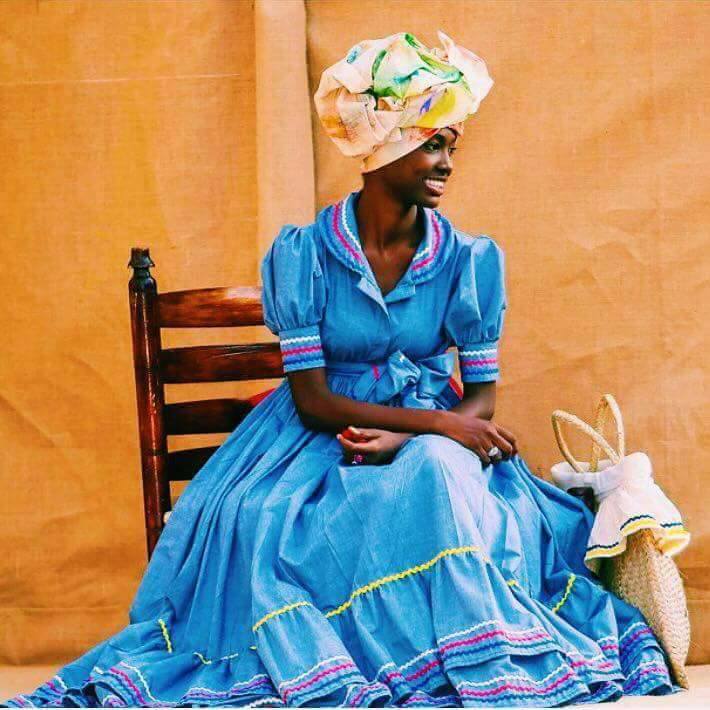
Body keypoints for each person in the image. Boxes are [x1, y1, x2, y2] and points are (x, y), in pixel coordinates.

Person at [5, 30, 681, 708]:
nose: (447, 163)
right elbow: (313, 402)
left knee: (438, 473)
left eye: (451, 146)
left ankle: (462, 656)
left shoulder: (468, 261)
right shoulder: (305, 256)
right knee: (268, 520)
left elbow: (479, 404)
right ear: (381, 145)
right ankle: (351, 659)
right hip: (316, 438)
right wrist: (433, 427)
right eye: (431, 144)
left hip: (434, 435)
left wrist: (417, 436)